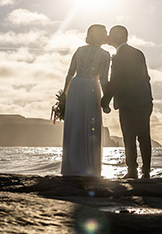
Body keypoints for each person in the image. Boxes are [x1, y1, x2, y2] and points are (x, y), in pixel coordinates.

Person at [101, 25, 153, 179]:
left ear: (118, 36)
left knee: (129, 137)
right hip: (144, 100)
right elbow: (146, 77)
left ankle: (132, 171)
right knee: (144, 137)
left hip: (129, 102)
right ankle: (146, 172)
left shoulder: (119, 56)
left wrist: (105, 100)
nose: (108, 37)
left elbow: (116, 80)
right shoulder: (138, 53)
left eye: (111, 34)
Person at [60, 24, 111, 177]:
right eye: (105, 32)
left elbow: (70, 74)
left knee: (75, 125)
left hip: (76, 87)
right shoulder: (105, 54)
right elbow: (103, 79)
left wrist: (64, 95)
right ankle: (89, 166)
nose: (107, 34)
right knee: (90, 125)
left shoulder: (79, 50)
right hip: (91, 88)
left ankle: (71, 167)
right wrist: (106, 100)